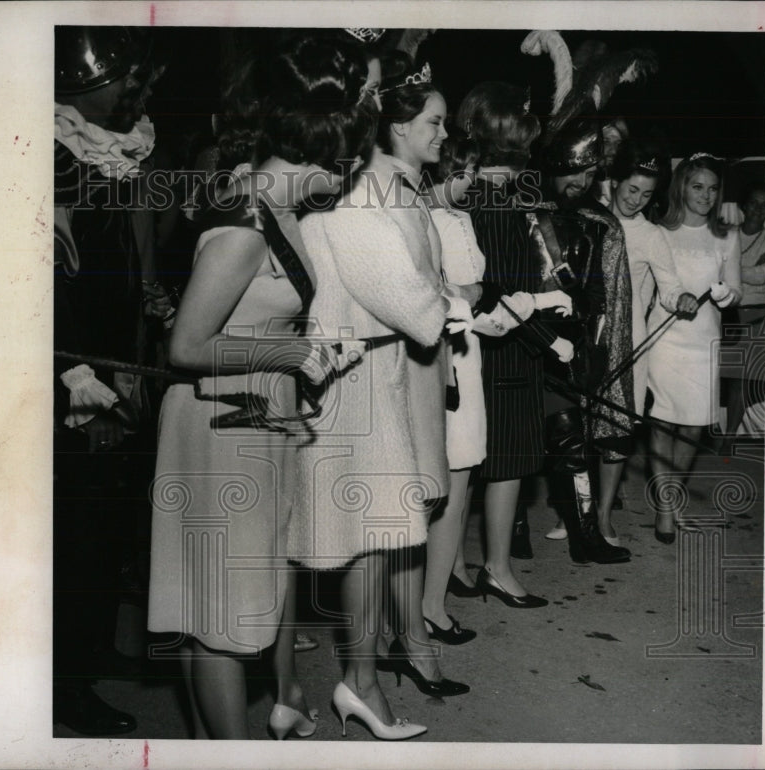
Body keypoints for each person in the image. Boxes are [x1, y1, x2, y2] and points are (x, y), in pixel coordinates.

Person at [146, 36, 377, 740]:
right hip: (217, 425)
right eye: (343, 164)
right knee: (223, 617)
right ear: (323, 153)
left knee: (226, 606)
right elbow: (185, 345)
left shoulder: (273, 208)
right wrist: (295, 349)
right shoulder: (247, 225)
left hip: (250, 416)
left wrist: (300, 356)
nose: (344, 179)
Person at [291, 55, 473, 740]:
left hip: (377, 371)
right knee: (342, 539)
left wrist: (448, 306)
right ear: (393, 124)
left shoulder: (393, 187)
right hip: (352, 382)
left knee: (370, 540)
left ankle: (356, 679)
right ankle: (336, 683)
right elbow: (406, 296)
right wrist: (451, 311)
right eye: (434, 120)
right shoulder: (364, 193)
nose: (444, 132)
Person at [53, 25, 165, 737]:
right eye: (121, 78)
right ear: (82, 86)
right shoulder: (53, 156)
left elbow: (118, 254)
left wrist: (147, 302)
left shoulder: (112, 152)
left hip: (117, 356)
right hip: (74, 374)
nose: (133, 90)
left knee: (106, 521)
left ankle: (91, 651)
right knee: (73, 534)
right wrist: (74, 372)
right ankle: (64, 685)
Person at [424, 136, 573, 626]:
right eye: (466, 172)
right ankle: (430, 605)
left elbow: (488, 291)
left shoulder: (466, 215)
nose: (473, 182)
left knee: (463, 469)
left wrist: (530, 308)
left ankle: (440, 594)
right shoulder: (429, 217)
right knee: (451, 476)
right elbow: (452, 297)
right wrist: (537, 325)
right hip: (450, 357)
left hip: (473, 352)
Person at [452, 81, 560, 607]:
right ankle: (497, 568)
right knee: (509, 461)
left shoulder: (474, 193)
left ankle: (454, 566)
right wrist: (547, 339)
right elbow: (497, 288)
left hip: (487, 346)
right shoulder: (495, 202)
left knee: (468, 463)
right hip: (506, 349)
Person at [531, 117, 634, 566]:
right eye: (575, 171)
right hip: (516, 342)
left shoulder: (599, 222)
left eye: (591, 174)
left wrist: (591, 345)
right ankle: (513, 534)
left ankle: (585, 536)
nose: (582, 182)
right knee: (506, 452)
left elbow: (604, 294)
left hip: (567, 351)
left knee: (572, 445)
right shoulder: (522, 210)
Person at [596, 141, 699, 544]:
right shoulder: (591, 218)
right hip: (584, 340)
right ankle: (577, 508)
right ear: (616, 181)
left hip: (630, 343)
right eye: (631, 189)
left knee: (616, 430)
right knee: (575, 429)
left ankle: (603, 516)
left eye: (646, 194)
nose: (636, 200)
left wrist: (682, 299)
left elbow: (669, 287)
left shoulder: (652, 235)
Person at [648, 153, 742, 542]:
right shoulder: (661, 232)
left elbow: (735, 291)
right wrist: (678, 297)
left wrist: (725, 295)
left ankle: (671, 495)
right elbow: (664, 287)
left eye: (712, 188)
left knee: (693, 425)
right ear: (682, 187)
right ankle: (666, 509)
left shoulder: (726, 235)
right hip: (666, 341)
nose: (705, 195)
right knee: (661, 422)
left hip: (705, 342)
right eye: (697, 186)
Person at [722, 181, 765, 447]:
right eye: (754, 203)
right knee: (727, 379)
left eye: (764, 205)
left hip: (755, 316)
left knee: (741, 380)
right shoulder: (729, 235)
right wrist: (751, 270)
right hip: (727, 312)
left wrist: (733, 267)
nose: (758, 210)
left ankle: (727, 440)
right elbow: (717, 270)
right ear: (743, 207)